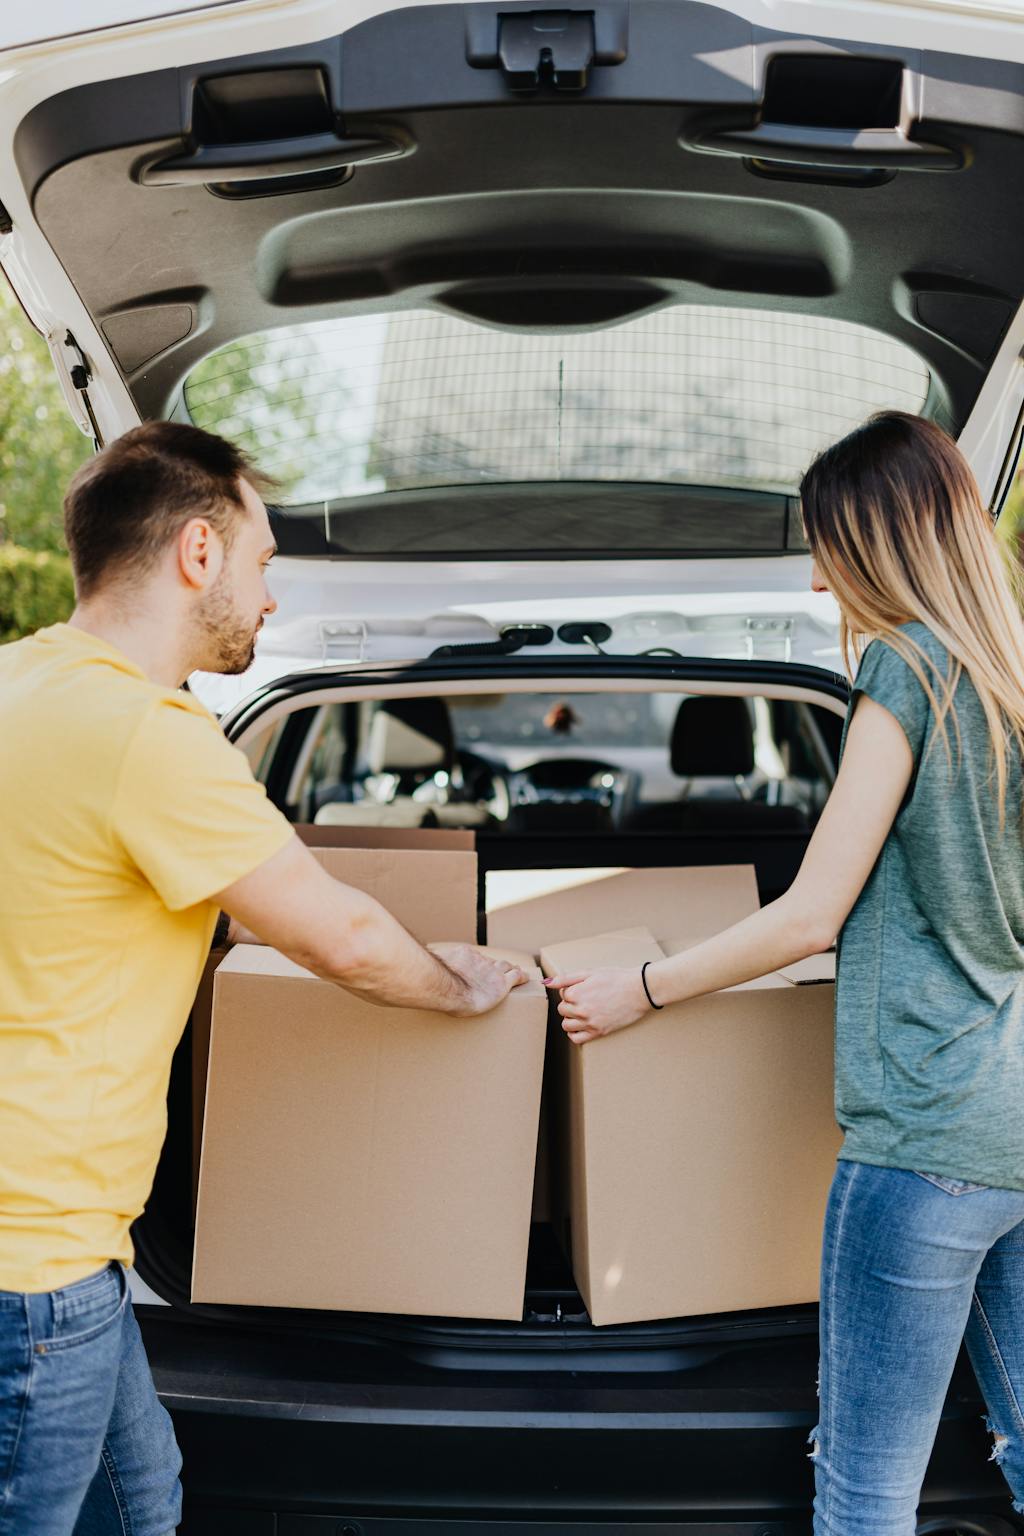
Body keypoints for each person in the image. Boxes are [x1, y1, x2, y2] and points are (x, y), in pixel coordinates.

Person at [0, 420, 524, 1536]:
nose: (270, 594)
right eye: (264, 559)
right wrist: (465, 989)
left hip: (60, 1257)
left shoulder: (17, 684)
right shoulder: (152, 738)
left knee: (146, 1500)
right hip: (35, 1258)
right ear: (198, 552)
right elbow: (344, 939)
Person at [546, 411, 1024, 1533]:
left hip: (919, 1146)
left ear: (876, 541)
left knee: (864, 1488)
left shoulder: (906, 671)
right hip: (1011, 1129)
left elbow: (812, 914)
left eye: (825, 546)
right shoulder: (1009, 688)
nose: (817, 579)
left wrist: (642, 988)